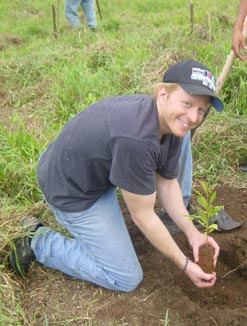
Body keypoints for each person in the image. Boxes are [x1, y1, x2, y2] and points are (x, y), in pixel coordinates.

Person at [10, 59, 223, 292]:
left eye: (201, 110)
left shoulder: (169, 123)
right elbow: (143, 216)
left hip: (92, 171)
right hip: (71, 190)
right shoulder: (137, 139)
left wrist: (193, 234)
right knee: (125, 278)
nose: (193, 117)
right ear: (163, 94)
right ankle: (36, 241)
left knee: (179, 144)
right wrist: (185, 265)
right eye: (187, 103)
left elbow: (167, 183)